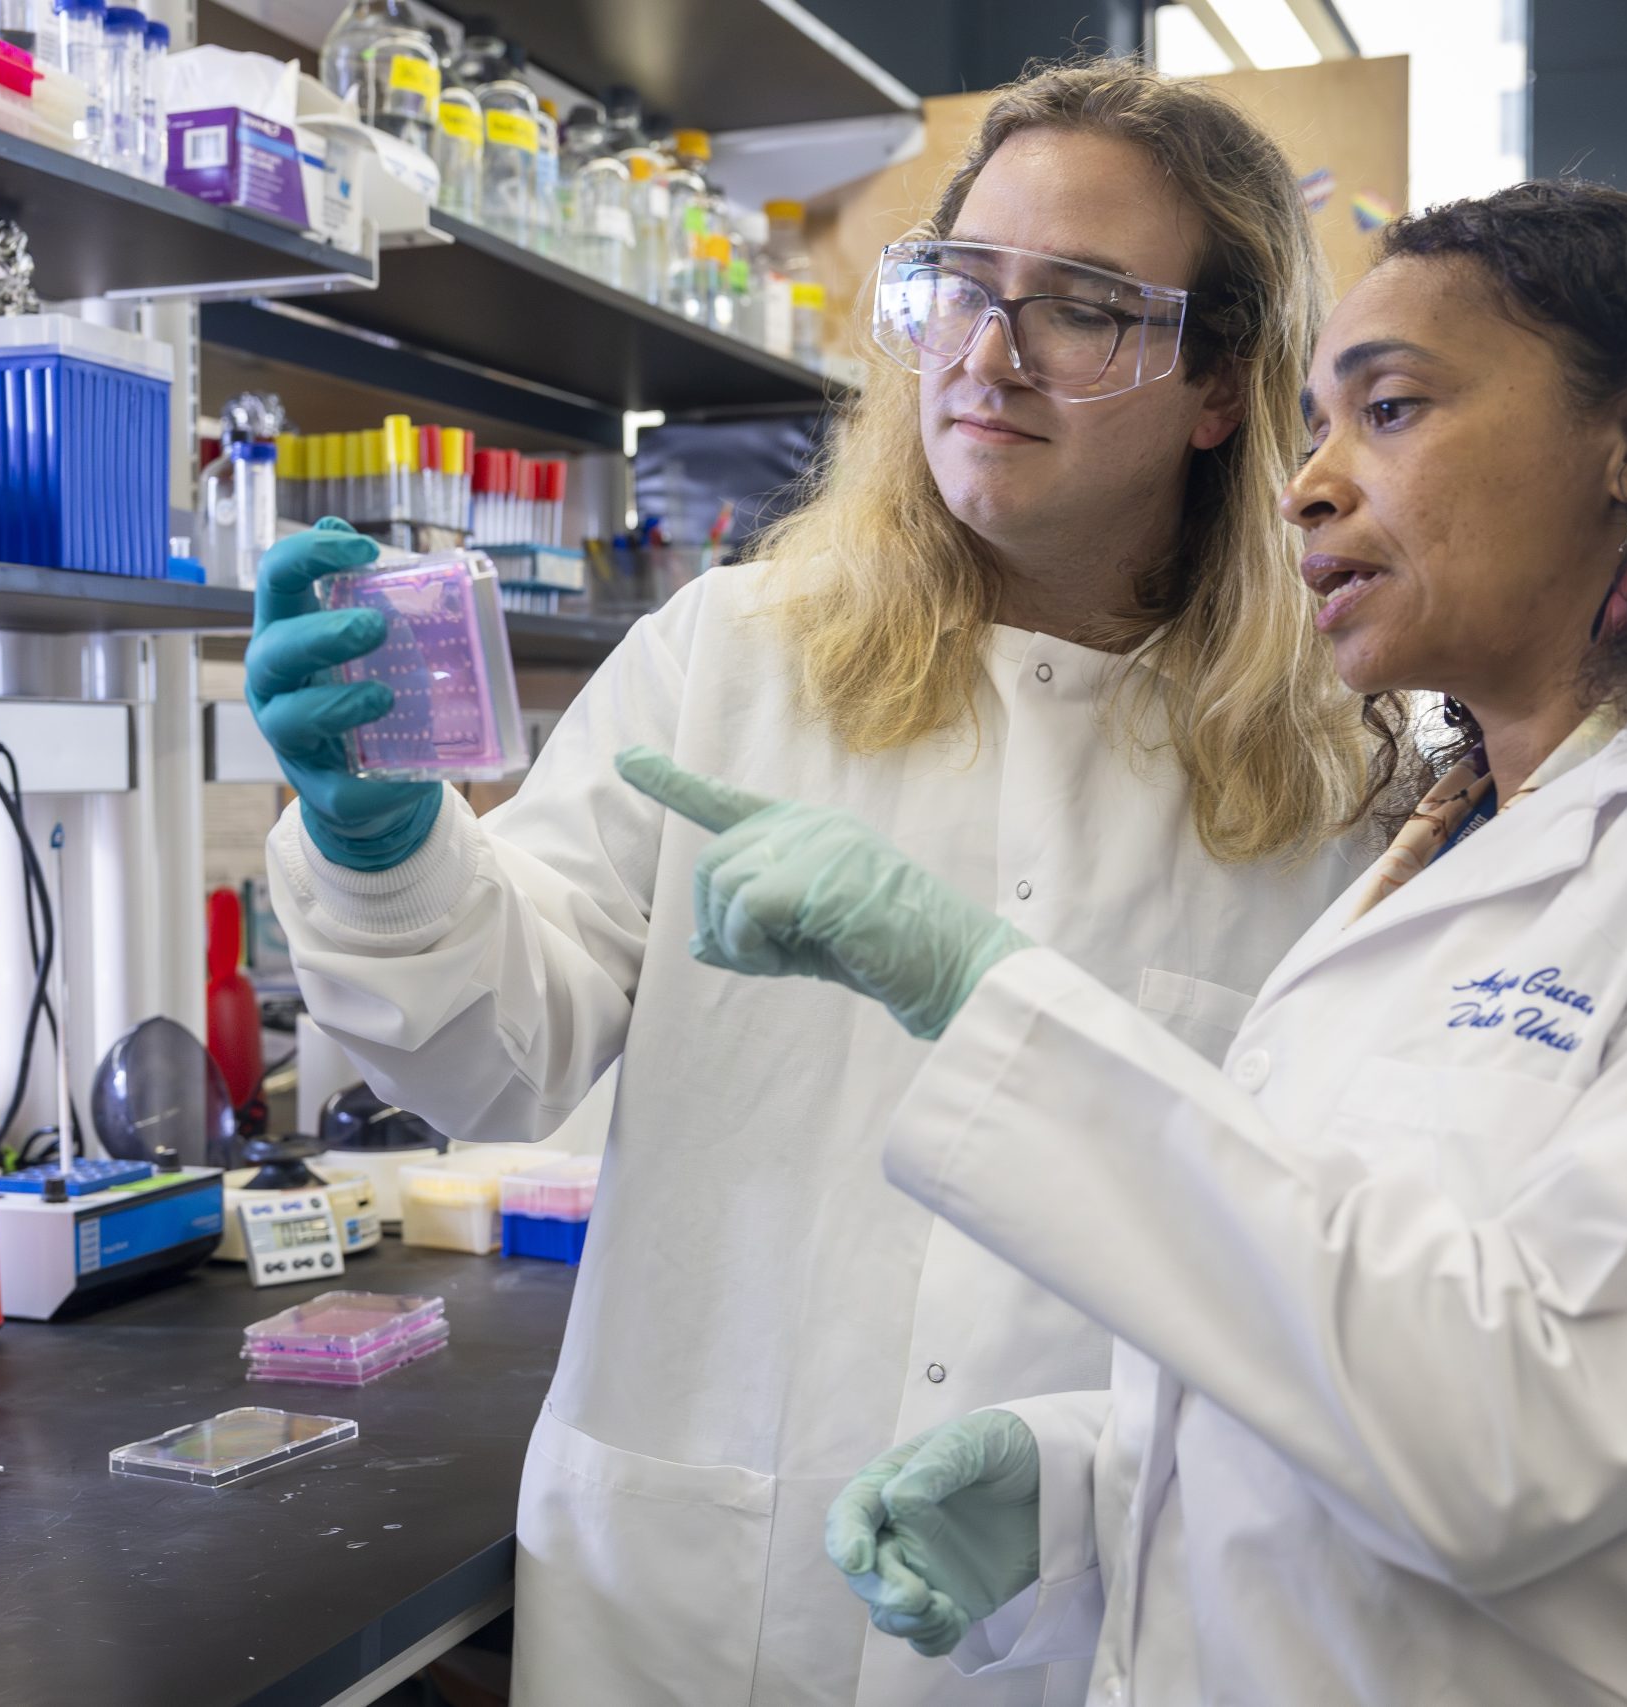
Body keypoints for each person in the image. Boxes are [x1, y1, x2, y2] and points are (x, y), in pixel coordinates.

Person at [622, 179, 1627, 1704]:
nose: (1310, 482)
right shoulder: (1422, 867)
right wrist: (1086, 1474)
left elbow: (1532, 1424)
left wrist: (990, 1002)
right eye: (1314, 424)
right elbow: (1356, 1328)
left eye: (1393, 408)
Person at [246, 61, 1372, 1707]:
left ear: (1219, 385)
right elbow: (499, 1054)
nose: (988, 358)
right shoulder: (734, 654)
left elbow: (1315, 1273)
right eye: (961, 290)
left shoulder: (1329, 779)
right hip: (689, 1598)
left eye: (1081, 311)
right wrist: (387, 845)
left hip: (1067, 1622)